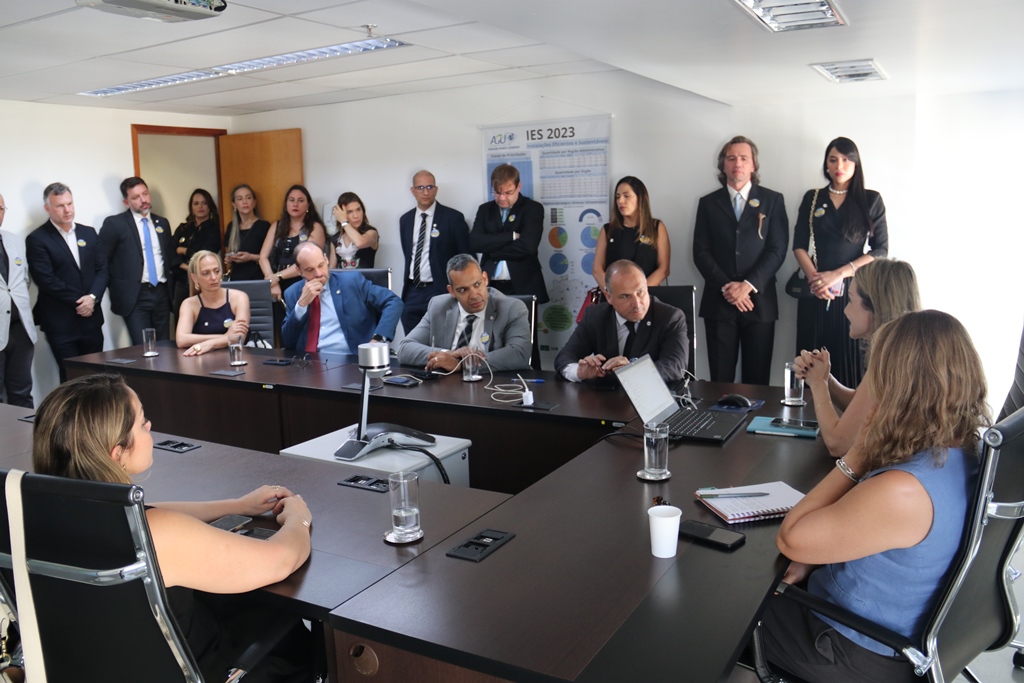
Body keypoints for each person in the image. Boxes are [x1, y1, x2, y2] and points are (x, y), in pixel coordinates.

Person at [32, 373, 314, 682]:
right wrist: (298, 517)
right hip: (199, 667)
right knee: (285, 627)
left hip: (91, 669)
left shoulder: (35, 518)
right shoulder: (154, 536)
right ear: (117, 453)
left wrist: (236, 505)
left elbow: (151, 512)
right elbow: (282, 560)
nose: (150, 426)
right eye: (142, 422)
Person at [760, 310, 988, 683]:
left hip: (852, 649)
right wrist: (815, 562)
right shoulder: (965, 453)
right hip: (894, 629)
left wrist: (857, 457)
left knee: (728, 609)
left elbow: (791, 539)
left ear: (897, 386)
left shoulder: (904, 489)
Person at [793, 258, 920, 457]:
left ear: (875, 306)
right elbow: (860, 404)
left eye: (851, 300)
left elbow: (837, 444)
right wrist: (825, 379)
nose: (845, 310)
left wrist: (817, 384)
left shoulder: (889, 361)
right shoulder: (903, 349)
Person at [794, 137, 888, 388]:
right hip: (815, 291)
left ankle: (849, 413)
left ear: (856, 164)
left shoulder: (871, 199)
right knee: (810, 363)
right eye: (833, 159)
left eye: (846, 160)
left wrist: (838, 275)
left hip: (853, 293)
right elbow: (799, 245)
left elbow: (880, 250)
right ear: (826, 164)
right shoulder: (813, 197)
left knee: (850, 364)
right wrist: (816, 280)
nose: (839, 166)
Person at [693, 137, 788, 385]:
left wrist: (747, 285)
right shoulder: (707, 204)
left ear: (753, 165)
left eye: (744, 158)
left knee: (757, 383)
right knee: (720, 383)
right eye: (731, 158)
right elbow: (701, 252)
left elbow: (777, 250)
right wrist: (728, 288)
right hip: (719, 302)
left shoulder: (773, 201)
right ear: (723, 165)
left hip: (760, 302)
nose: (738, 163)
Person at [555, 259, 688, 384]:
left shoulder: (670, 317)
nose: (637, 304)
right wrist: (580, 372)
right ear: (609, 297)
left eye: (640, 292)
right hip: (606, 396)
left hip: (652, 396)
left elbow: (675, 366)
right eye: (625, 296)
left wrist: (632, 371)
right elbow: (565, 357)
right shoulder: (595, 316)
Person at [26, 183, 108, 383]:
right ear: (47, 208)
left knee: (96, 377)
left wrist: (92, 298)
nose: (67, 210)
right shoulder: (37, 239)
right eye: (60, 206)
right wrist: (81, 301)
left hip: (91, 320)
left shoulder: (89, 233)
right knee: (72, 379)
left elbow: (102, 270)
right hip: (60, 323)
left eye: (70, 204)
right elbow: (46, 280)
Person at [398, 254, 531, 372]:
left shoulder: (511, 308)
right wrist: (448, 355)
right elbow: (405, 349)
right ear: (451, 291)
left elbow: (519, 354)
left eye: (477, 284)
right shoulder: (438, 306)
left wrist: (462, 364)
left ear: (485, 279)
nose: (474, 295)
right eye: (463, 290)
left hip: (493, 385)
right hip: (447, 386)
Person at [281, 242, 401, 354]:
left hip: (352, 359)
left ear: (326, 259)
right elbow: (288, 341)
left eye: (321, 265)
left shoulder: (352, 282)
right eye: (310, 270)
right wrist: (301, 305)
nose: (318, 273)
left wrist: (378, 339)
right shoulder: (292, 293)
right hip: (310, 362)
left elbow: (393, 301)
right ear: (299, 270)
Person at [99, 176, 174, 345]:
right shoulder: (115, 224)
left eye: (145, 194)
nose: (143, 200)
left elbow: (168, 257)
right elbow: (102, 260)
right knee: (143, 347)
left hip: (161, 292)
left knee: (164, 345)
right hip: (136, 295)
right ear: (126, 202)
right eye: (136, 197)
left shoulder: (162, 223)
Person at [399, 170, 471, 334]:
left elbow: (466, 257)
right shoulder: (405, 220)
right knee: (412, 341)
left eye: (430, 187)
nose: (425, 192)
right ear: (412, 190)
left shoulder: (453, 218)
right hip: (412, 291)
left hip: (440, 289)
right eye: (420, 187)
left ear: (436, 189)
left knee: (442, 339)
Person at [469, 163, 549, 305]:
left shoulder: (532, 209)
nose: (502, 198)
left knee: (524, 320)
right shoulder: (485, 210)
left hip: (523, 283)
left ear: (518, 186)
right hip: (490, 284)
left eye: (508, 193)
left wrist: (491, 250)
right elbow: (475, 242)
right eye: (497, 193)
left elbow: (528, 247)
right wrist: (511, 236)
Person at [593, 176, 670, 291]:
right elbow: (597, 270)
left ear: (640, 198)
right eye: (617, 197)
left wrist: (639, 293)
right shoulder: (608, 230)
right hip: (614, 297)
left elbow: (663, 270)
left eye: (626, 196)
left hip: (647, 296)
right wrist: (614, 293)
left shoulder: (656, 228)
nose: (620, 201)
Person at [259, 185, 326, 303]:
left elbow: (307, 261)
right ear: (286, 204)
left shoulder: (315, 227)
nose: (295, 204)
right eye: (291, 200)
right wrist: (272, 281)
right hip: (277, 285)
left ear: (308, 205)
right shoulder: (276, 226)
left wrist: (277, 277)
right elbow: (263, 257)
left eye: (300, 200)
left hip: (304, 283)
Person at [175, 251, 250, 357]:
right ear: (195, 278)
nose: (214, 277)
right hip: (202, 360)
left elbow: (240, 337)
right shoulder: (189, 304)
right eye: (206, 273)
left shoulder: (239, 297)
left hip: (237, 357)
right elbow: (181, 340)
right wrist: (226, 336)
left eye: (217, 271)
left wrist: (210, 344)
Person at [0, 194, 36, 408]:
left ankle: (26, 430)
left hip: (21, 328)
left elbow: (23, 279)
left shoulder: (14, 240)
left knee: (22, 392)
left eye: (1, 208)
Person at [172, 189, 221, 318]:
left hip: (205, 282)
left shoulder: (215, 229)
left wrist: (184, 250)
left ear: (210, 206)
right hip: (182, 281)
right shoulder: (183, 229)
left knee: (203, 319)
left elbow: (204, 255)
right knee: (181, 318)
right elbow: (171, 253)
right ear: (191, 207)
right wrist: (187, 267)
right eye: (196, 203)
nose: (200, 207)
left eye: (204, 203)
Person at [223, 184, 271, 281]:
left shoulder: (264, 226)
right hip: (236, 279)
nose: (245, 202)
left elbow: (272, 257)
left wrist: (251, 257)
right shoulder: (231, 227)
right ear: (234, 204)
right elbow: (228, 251)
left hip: (258, 277)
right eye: (240, 199)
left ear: (254, 202)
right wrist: (229, 258)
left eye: (248, 198)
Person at [328, 192, 378, 269]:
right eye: (349, 212)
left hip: (363, 277)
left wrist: (343, 221)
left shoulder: (371, 232)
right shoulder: (335, 239)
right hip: (341, 277)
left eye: (358, 210)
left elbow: (359, 242)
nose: (356, 216)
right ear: (341, 214)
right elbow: (332, 269)